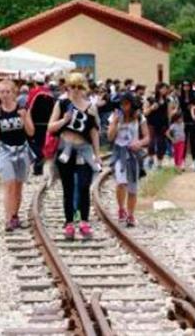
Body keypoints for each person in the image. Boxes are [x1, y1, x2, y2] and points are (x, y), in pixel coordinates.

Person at [47, 73, 101, 239]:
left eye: (79, 87)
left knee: (84, 186)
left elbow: (94, 132)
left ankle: (84, 222)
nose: (76, 90)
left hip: (84, 150)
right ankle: (69, 223)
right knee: (68, 188)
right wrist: (64, 120)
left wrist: (97, 154)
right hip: (66, 149)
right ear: (67, 88)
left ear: (84, 88)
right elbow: (50, 127)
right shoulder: (62, 104)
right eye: (72, 86)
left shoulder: (91, 107)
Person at [0, 80, 35, 232]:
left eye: (8, 92)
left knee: (18, 186)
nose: (5, 95)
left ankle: (14, 216)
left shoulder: (22, 109)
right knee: (9, 184)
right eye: (2, 92)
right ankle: (7, 219)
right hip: (5, 151)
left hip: (22, 150)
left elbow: (31, 132)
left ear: (14, 93)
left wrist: (24, 118)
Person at [108, 92, 150, 227]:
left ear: (131, 104)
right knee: (121, 182)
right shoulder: (115, 116)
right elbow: (110, 137)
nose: (123, 107)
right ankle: (121, 208)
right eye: (121, 104)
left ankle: (131, 215)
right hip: (119, 152)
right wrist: (115, 122)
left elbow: (147, 137)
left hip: (133, 154)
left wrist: (140, 143)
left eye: (126, 104)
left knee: (133, 187)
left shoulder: (139, 117)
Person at [144, 83, 172, 170]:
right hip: (152, 123)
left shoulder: (167, 100)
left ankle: (159, 163)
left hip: (163, 124)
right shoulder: (150, 99)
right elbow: (145, 112)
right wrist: (151, 108)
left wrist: (169, 125)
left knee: (161, 143)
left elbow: (169, 114)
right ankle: (150, 159)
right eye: (163, 88)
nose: (165, 90)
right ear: (158, 89)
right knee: (151, 141)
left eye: (166, 89)